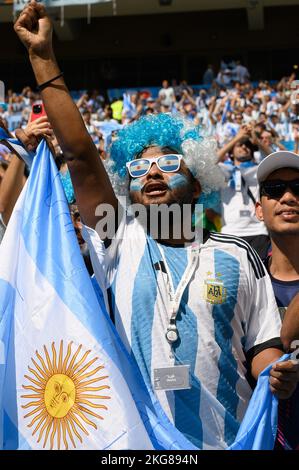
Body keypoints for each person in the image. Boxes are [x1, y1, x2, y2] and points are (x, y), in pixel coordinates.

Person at [13, 1, 299, 450]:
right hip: (137, 445)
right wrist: (44, 59)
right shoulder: (116, 238)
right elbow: (83, 158)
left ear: (197, 178)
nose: (152, 173)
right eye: (139, 168)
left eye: (169, 163)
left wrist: (277, 374)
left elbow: (262, 349)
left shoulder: (239, 256)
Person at [255, 151, 299, 449]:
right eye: (274, 190)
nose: (287, 197)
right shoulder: (242, 277)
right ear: (259, 210)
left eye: (298, 189)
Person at [217, 124, 270, 258]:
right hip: (230, 232)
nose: (244, 147)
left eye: (247, 145)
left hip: (258, 231)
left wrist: (255, 140)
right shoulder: (224, 170)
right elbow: (209, 161)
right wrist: (237, 137)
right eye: (239, 145)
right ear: (231, 152)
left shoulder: (259, 169)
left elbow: (274, 158)